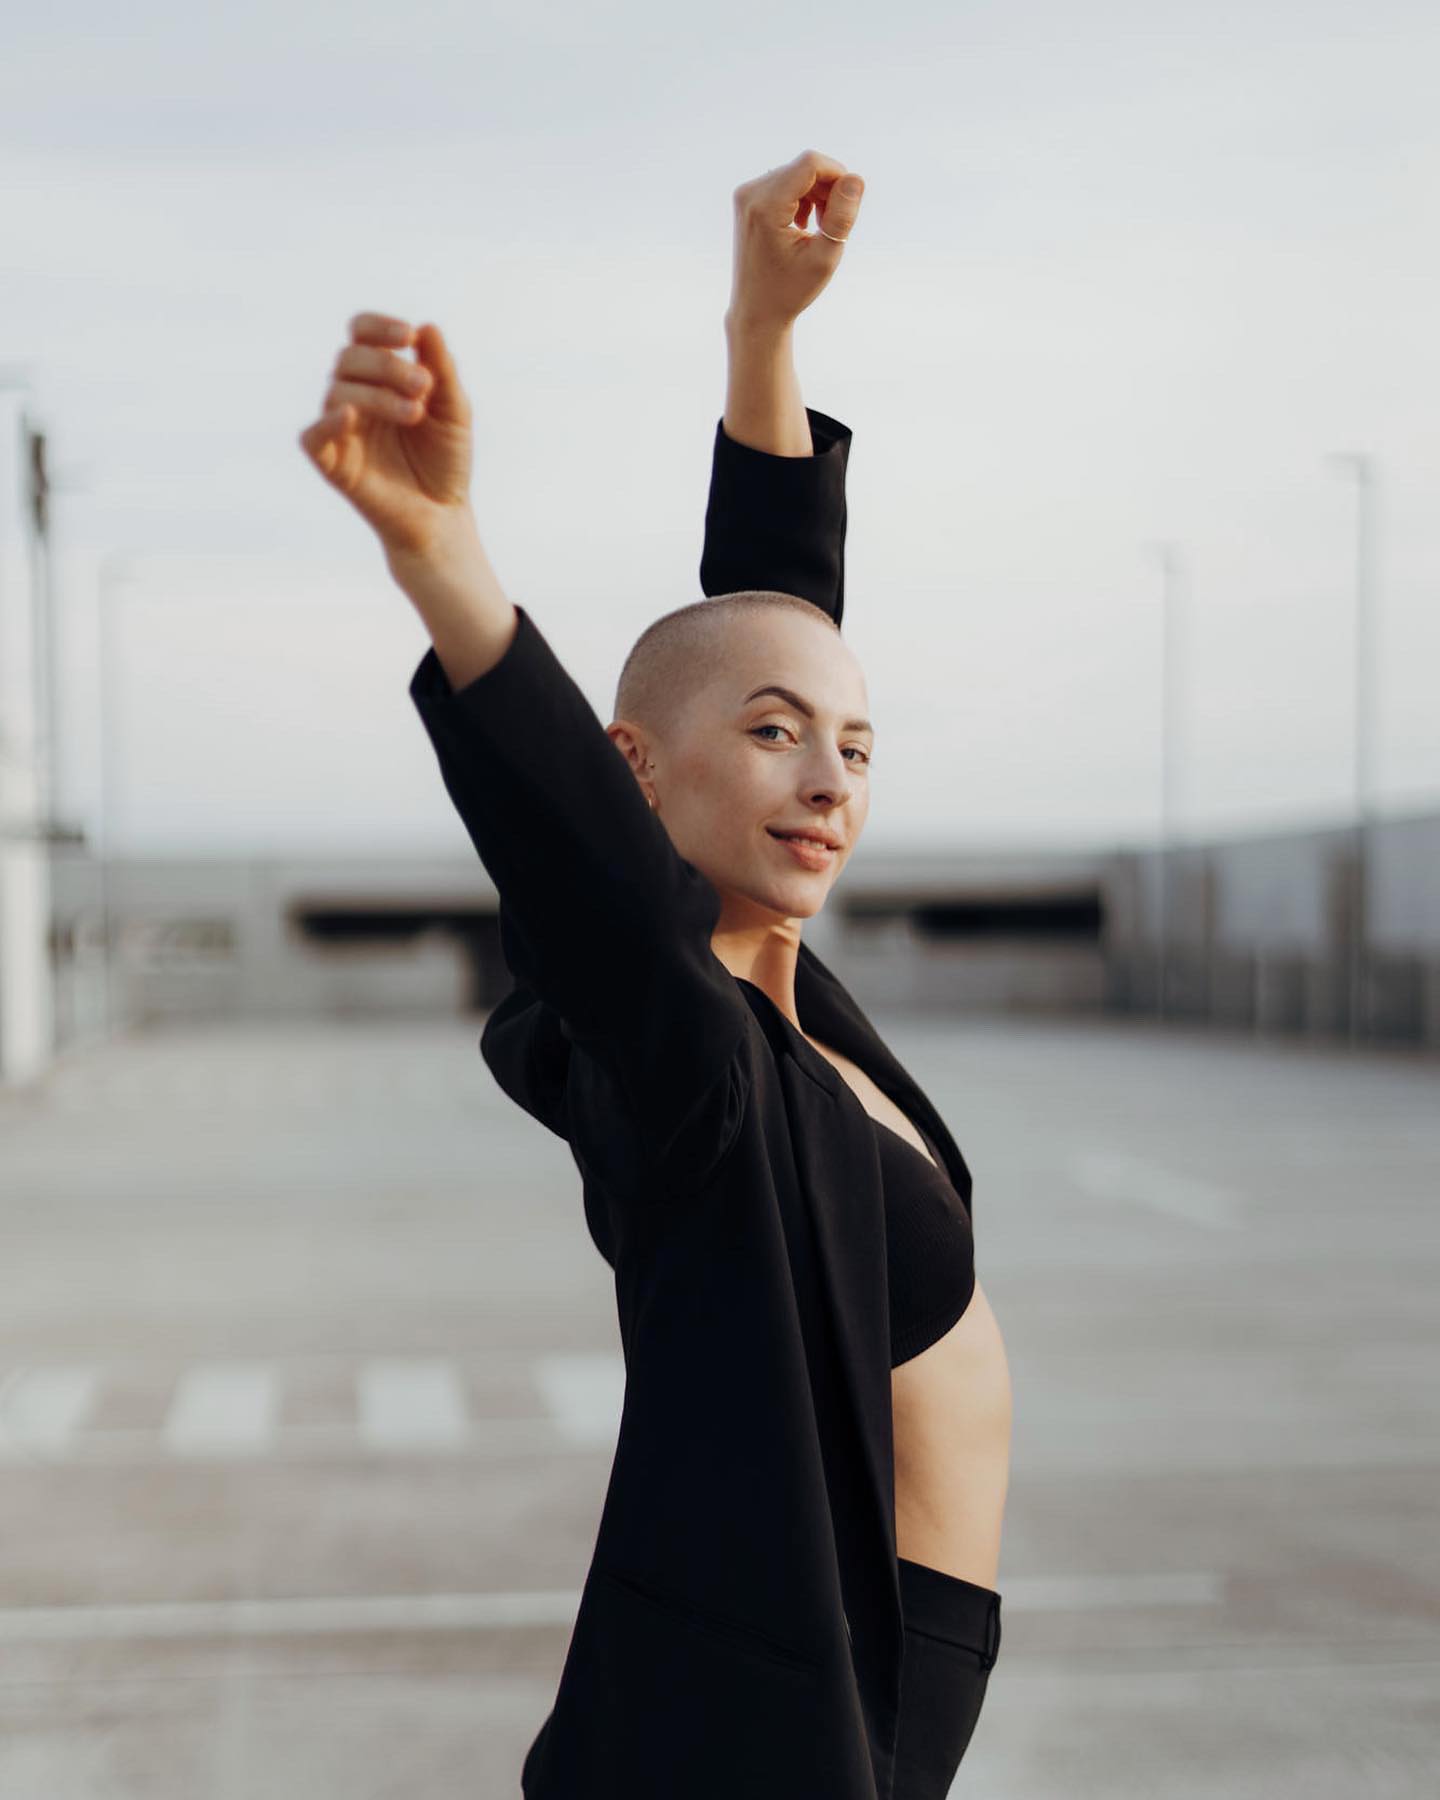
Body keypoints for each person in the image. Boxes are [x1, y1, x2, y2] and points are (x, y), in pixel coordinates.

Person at [299, 148, 1009, 1800]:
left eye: (857, 749)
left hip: (909, 1663)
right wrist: (445, 559)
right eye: (777, 746)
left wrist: (764, 337)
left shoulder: (784, 1014)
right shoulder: (684, 1067)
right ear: (632, 774)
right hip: (787, 1704)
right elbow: (603, 894)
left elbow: (771, 634)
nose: (829, 778)